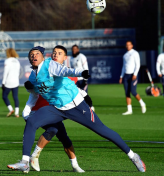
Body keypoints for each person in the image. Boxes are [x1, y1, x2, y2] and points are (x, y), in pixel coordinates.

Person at [7, 45, 146, 173]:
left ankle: (133, 156)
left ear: (43, 56)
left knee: (103, 131)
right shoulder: (33, 76)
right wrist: (26, 111)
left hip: (77, 106)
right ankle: (25, 162)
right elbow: (34, 94)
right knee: (32, 121)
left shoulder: (50, 65)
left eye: (37, 53)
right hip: (56, 108)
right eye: (31, 55)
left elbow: (65, 70)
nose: (34, 56)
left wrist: (81, 72)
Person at [119, 41, 146, 115]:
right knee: (127, 93)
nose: (128, 46)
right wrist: (121, 76)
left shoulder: (135, 53)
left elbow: (138, 64)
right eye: (127, 45)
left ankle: (142, 103)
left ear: (132, 45)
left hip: (132, 75)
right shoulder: (125, 55)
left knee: (133, 91)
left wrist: (135, 74)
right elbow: (124, 66)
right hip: (126, 75)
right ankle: (129, 110)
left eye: (129, 45)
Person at [71, 44, 95, 111]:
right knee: (76, 95)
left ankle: (91, 107)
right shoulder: (71, 58)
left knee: (84, 94)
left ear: (78, 49)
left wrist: (85, 79)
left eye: (75, 49)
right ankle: (80, 109)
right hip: (75, 80)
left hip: (82, 79)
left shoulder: (82, 56)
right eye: (73, 49)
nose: (74, 51)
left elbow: (85, 68)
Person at [2, 48, 20, 117]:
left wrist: (3, 82)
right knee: (15, 97)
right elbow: (18, 72)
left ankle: (10, 109)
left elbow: (5, 73)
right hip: (16, 81)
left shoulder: (7, 61)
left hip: (8, 82)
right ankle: (17, 113)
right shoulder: (17, 61)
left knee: (4, 96)